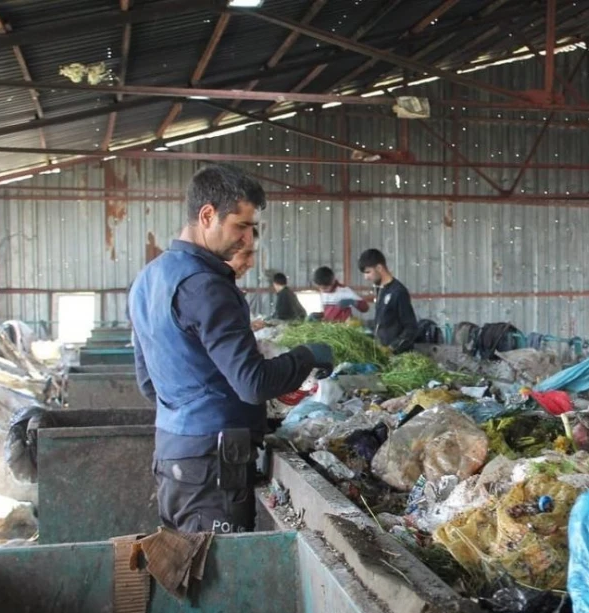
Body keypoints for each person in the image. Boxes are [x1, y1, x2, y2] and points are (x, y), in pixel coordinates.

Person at [129, 164, 333, 535]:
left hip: (172, 456)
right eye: (240, 225)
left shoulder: (148, 279)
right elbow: (252, 383)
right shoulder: (207, 286)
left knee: (187, 570)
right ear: (207, 215)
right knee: (217, 578)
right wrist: (309, 356)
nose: (246, 238)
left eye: (251, 228)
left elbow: (148, 384)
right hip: (213, 467)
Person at [359, 248, 419, 354]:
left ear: (379, 267)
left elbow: (411, 327)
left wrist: (392, 348)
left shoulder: (398, 292)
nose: (366, 277)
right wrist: (362, 326)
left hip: (399, 357)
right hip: (383, 355)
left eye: (368, 272)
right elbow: (383, 322)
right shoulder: (380, 290)